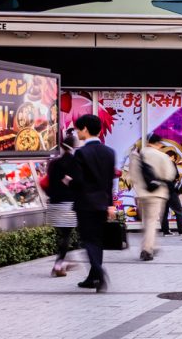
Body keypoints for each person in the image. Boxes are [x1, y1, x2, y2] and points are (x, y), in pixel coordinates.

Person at [70, 113, 116, 293]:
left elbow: (78, 181)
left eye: (77, 129)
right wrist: (110, 205)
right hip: (102, 203)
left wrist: (68, 181)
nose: (76, 132)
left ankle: (99, 272)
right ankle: (92, 278)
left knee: (88, 241)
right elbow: (109, 182)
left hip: (85, 204)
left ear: (85, 129)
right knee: (97, 240)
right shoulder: (109, 152)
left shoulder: (81, 153)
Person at [128, 133, 176, 261]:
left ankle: (151, 245)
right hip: (157, 194)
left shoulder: (138, 155)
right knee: (151, 222)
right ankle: (147, 249)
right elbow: (170, 175)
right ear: (158, 144)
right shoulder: (162, 156)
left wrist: (140, 186)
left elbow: (132, 174)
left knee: (146, 222)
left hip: (141, 194)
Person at [45, 133, 79, 277]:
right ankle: (59, 264)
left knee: (63, 234)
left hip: (54, 203)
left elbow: (49, 182)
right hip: (68, 203)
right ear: (74, 145)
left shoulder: (53, 163)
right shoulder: (74, 162)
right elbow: (77, 183)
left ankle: (63, 261)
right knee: (66, 235)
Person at [157, 138, 182, 237]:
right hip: (170, 190)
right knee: (179, 210)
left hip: (161, 190)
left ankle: (165, 231)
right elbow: (175, 176)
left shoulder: (159, 165)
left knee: (164, 212)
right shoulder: (171, 164)